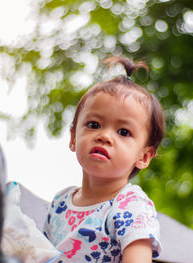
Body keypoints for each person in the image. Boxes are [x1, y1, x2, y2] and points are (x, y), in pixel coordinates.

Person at [43, 56, 165, 263]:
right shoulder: (59, 203)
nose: (105, 136)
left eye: (123, 132)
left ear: (143, 157)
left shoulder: (131, 206)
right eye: (94, 125)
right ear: (73, 138)